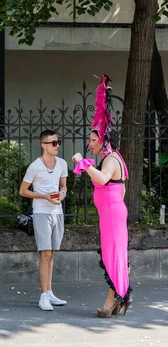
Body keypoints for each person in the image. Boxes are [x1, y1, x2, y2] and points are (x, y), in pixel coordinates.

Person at [72, 74, 132, 317]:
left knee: (114, 256)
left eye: (93, 138)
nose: (90, 143)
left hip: (113, 215)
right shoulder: (112, 158)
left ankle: (114, 299)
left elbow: (103, 179)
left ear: (103, 139)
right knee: (113, 255)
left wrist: (82, 163)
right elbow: (121, 189)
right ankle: (122, 297)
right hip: (111, 214)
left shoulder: (110, 159)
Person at [19, 130, 69, 311]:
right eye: (53, 143)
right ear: (44, 145)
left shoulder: (62, 163)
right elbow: (23, 190)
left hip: (57, 212)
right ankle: (43, 296)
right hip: (41, 212)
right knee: (45, 254)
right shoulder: (34, 166)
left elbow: (64, 187)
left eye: (58, 142)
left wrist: (61, 195)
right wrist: (44, 197)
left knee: (52, 254)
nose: (57, 145)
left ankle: (49, 292)